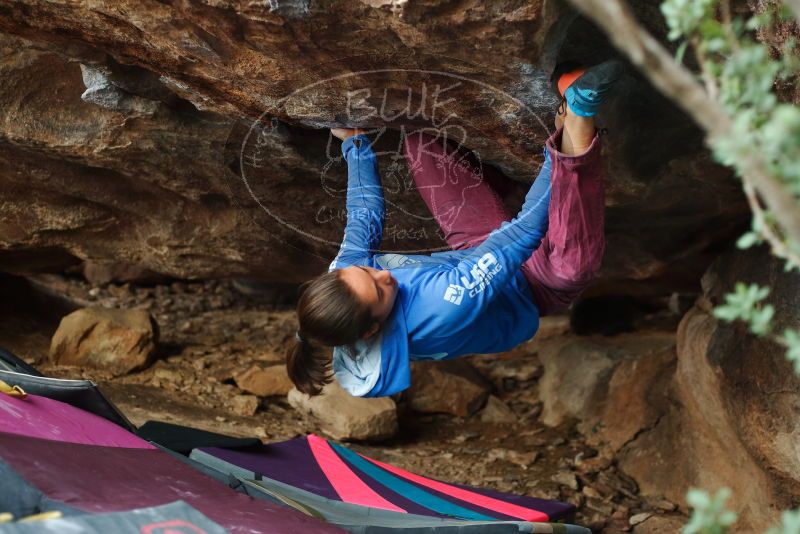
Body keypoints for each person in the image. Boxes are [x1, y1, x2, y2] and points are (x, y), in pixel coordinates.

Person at [287, 61, 623, 397]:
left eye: (367, 271)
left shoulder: (346, 277)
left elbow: (364, 216)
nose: (383, 274)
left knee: (421, 143)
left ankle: (530, 159)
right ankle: (579, 112)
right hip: (537, 286)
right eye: (379, 291)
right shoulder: (440, 309)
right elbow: (521, 235)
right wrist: (560, 145)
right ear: (372, 330)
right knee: (572, 266)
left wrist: (355, 143)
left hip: (474, 250)